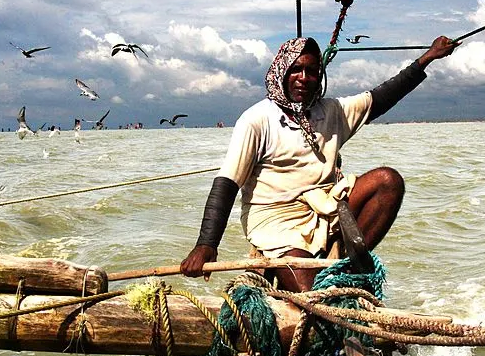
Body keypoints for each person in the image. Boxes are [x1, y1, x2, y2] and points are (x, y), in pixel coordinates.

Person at [180, 35, 459, 291]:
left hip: (326, 207)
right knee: (311, 294)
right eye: (296, 70)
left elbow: (382, 97)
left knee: (388, 181)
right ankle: (320, 284)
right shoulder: (256, 119)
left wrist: (428, 58)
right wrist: (206, 245)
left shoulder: (331, 110)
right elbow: (227, 183)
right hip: (277, 220)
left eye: (312, 71)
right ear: (281, 72)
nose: (304, 78)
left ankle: (348, 270)